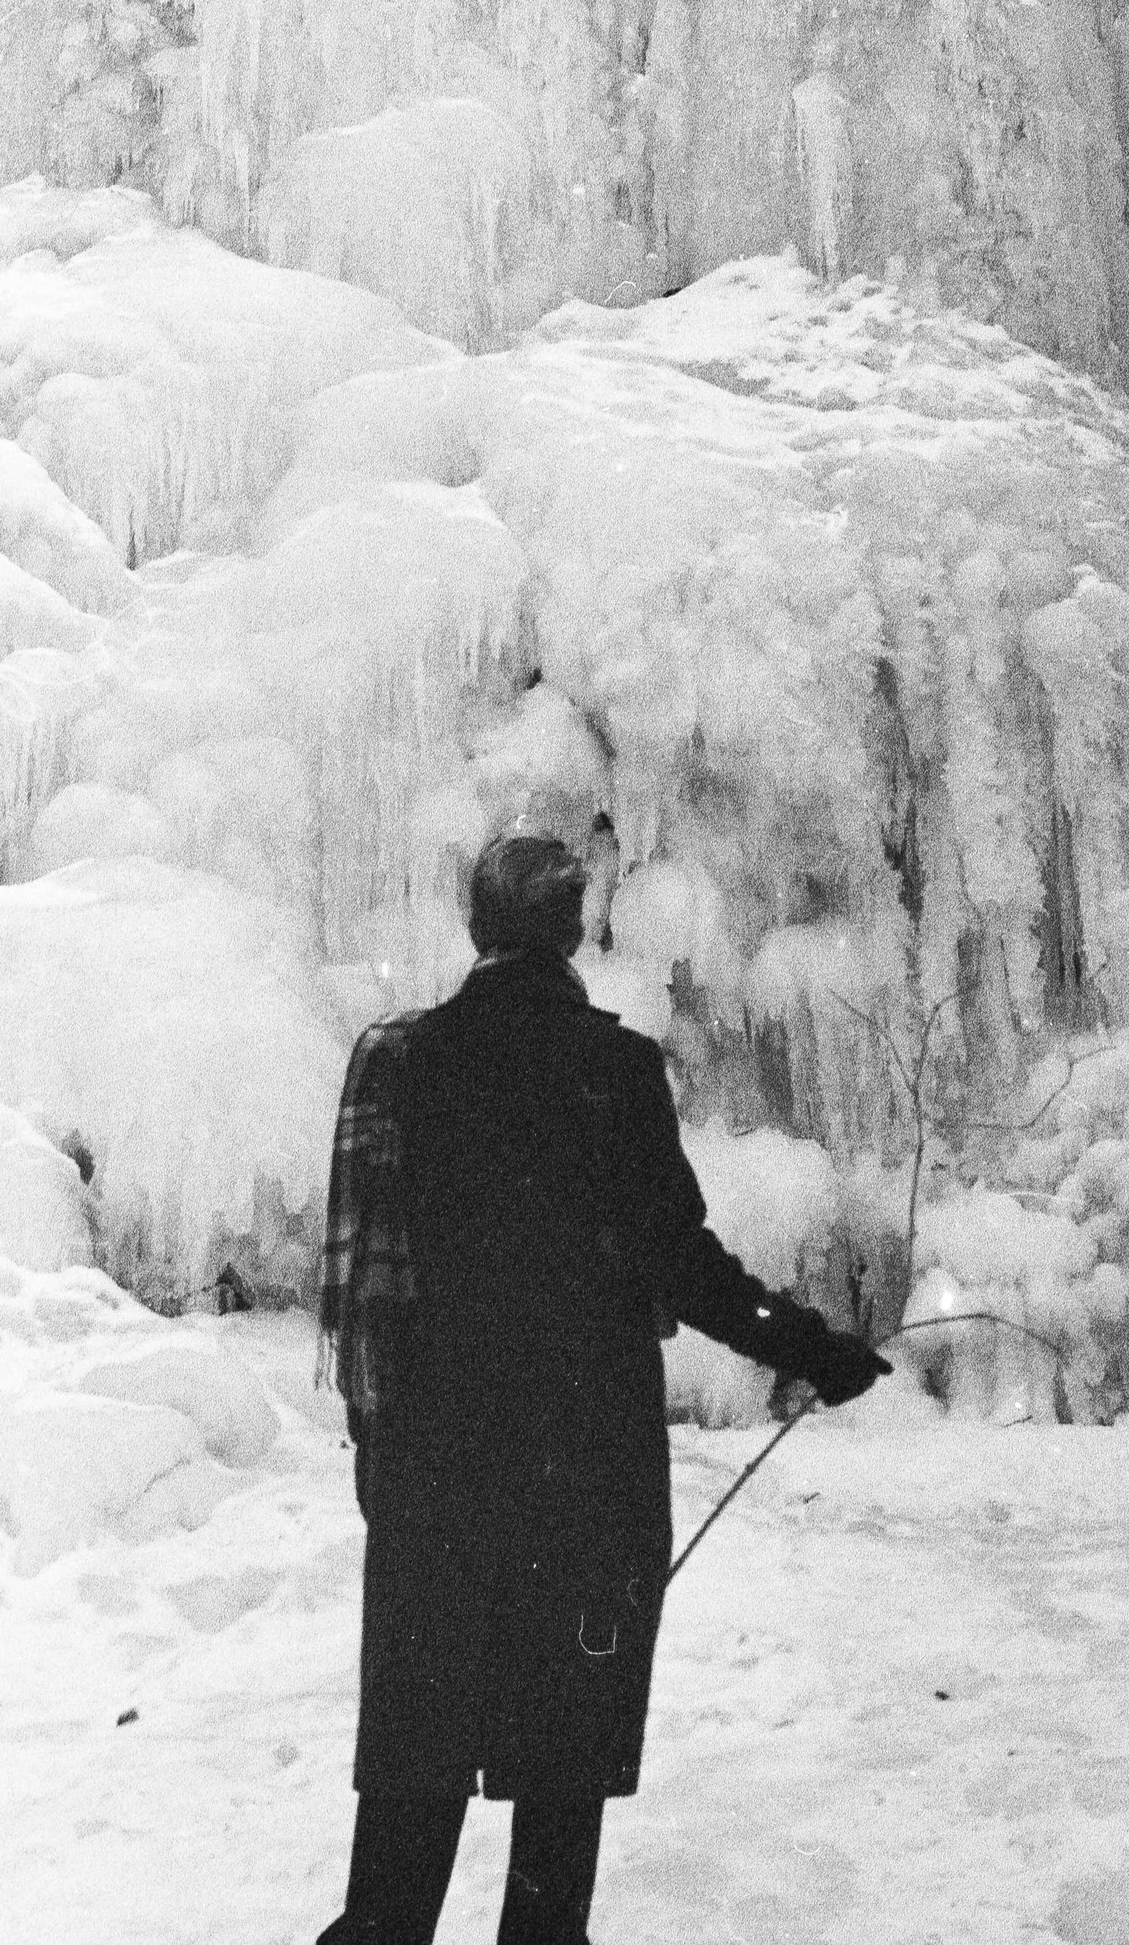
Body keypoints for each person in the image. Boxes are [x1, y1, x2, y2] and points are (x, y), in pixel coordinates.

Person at [316, 831, 889, 1945]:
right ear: (571, 929)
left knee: (413, 1773)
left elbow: (371, 1291)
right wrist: (812, 1347)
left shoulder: (401, 1061)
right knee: (559, 1769)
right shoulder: (612, 1072)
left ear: (479, 928)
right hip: (583, 1477)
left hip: (436, 1471)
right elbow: (683, 1263)